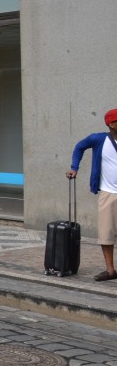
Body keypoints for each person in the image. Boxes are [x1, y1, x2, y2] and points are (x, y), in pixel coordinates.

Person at [67, 109, 117, 282]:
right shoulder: (99, 139)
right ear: (111, 124)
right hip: (108, 193)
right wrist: (74, 167)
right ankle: (110, 270)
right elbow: (79, 147)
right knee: (106, 233)